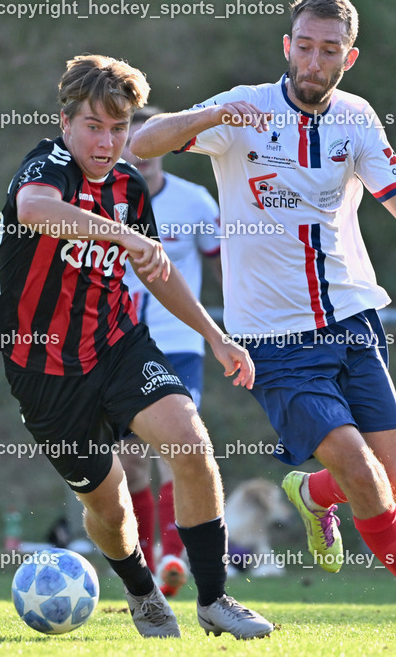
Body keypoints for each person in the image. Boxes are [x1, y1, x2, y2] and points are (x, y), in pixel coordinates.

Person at [129, 0, 396, 644]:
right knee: (359, 463)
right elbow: (140, 140)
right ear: (287, 45)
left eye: (329, 49)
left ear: (348, 58)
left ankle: (313, 493)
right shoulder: (243, 111)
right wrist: (206, 113)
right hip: (277, 343)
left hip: (353, 321)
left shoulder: (356, 119)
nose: (314, 59)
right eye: (305, 44)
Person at [0, 54, 272, 640]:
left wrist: (215, 337)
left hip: (118, 345)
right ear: (66, 123)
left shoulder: (128, 185)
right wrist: (118, 233)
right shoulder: (47, 166)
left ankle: (214, 599)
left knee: (191, 443)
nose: (108, 142)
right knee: (111, 506)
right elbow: (34, 210)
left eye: (119, 129)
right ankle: (143, 593)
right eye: (94, 126)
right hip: (44, 369)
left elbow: (158, 270)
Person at [118, 106, 223, 598]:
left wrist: (237, 329)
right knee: (129, 461)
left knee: (178, 449)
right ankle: (146, 563)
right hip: (118, 347)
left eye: (149, 137)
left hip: (179, 345)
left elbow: (225, 264)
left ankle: (175, 555)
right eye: (131, 136)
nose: (141, 148)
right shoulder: (102, 201)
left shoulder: (195, 202)